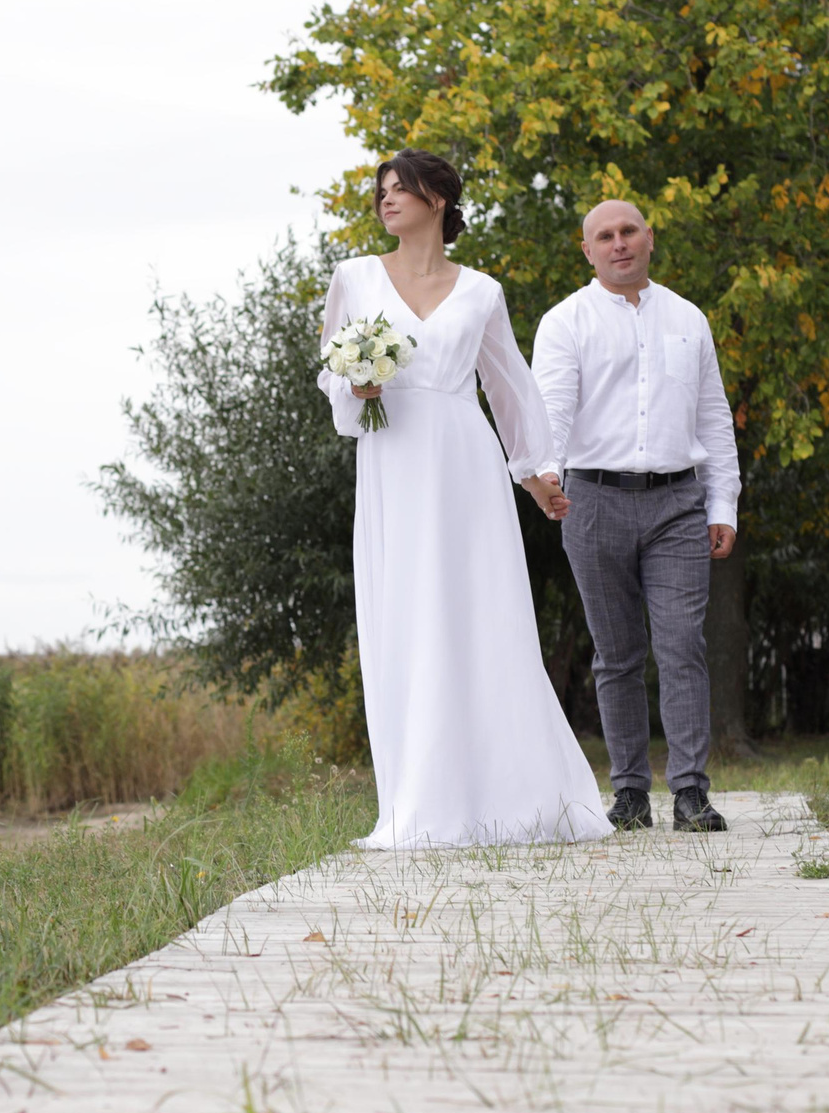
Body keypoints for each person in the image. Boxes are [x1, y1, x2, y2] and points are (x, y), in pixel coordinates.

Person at [317, 150, 611, 848]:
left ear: (439, 198)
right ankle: (422, 800)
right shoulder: (353, 277)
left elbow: (507, 383)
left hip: (465, 462)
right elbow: (330, 373)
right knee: (407, 615)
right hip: (393, 462)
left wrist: (535, 471)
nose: (387, 199)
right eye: (381, 190)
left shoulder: (481, 289)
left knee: (481, 614)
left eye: (401, 188)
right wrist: (355, 388)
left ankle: (514, 796)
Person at [531, 199, 741, 833]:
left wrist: (722, 501)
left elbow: (713, 418)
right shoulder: (565, 322)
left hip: (679, 502)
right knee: (617, 653)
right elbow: (553, 409)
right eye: (605, 236)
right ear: (588, 250)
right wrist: (547, 473)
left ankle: (690, 793)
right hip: (592, 501)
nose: (619, 243)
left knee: (682, 645)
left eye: (629, 231)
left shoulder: (689, 319)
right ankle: (629, 793)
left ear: (649, 239)